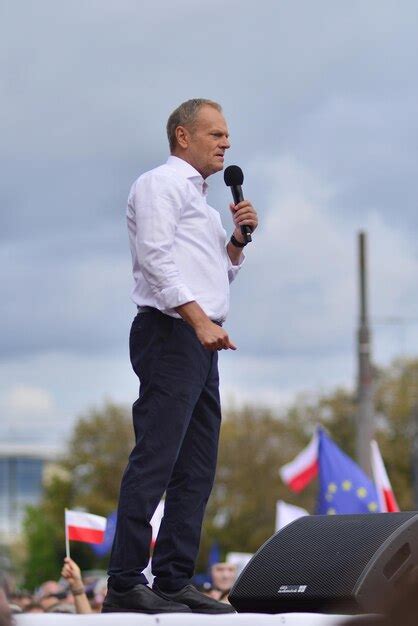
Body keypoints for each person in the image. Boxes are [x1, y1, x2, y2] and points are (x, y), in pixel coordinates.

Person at [103, 98, 258, 614]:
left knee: (196, 468)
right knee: (156, 458)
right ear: (182, 136)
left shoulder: (206, 204)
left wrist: (235, 241)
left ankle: (172, 578)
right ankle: (125, 580)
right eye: (215, 134)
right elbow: (155, 263)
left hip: (201, 340)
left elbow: (218, 271)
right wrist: (199, 322)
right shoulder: (158, 185)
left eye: (227, 136)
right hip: (172, 334)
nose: (225, 144)